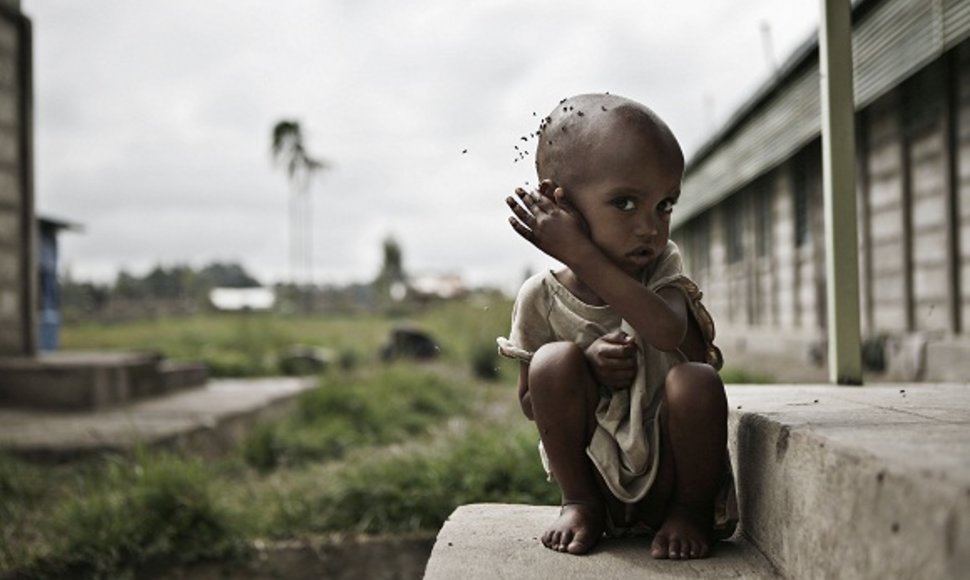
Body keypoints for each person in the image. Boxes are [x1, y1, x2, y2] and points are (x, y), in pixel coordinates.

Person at [497, 93, 737, 560]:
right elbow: (531, 404)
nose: (650, 227)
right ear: (559, 205)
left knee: (697, 381)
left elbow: (668, 332)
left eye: (664, 205)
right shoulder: (540, 298)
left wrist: (581, 253)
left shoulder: (663, 268)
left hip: (671, 477)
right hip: (596, 480)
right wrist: (586, 365)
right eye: (625, 203)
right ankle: (579, 505)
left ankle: (691, 511)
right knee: (553, 362)